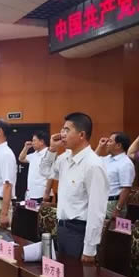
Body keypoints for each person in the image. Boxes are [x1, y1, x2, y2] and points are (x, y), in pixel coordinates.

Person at [40, 112, 109, 262]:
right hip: (62, 227)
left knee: (76, 275)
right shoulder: (65, 158)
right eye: (62, 129)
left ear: (81, 135)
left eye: (67, 130)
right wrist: (52, 150)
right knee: (62, 273)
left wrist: (89, 249)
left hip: (79, 232)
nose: (62, 134)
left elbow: (97, 211)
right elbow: (45, 171)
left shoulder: (93, 165)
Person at [96, 132, 135, 219]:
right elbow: (92, 162)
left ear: (118, 145)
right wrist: (100, 146)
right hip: (101, 201)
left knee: (111, 228)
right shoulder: (107, 159)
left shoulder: (126, 163)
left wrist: (118, 209)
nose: (107, 143)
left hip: (113, 203)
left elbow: (126, 189)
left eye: (110, 141)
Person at [18, 131, 52, 202]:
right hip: (31, 193)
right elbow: (21, 158)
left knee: (41, 209)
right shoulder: (34, 154)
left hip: (42, 193)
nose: (32, 143)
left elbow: (50, 176)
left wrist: (47, 192)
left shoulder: (48, 154)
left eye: (34, 140)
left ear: (41, 142)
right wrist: (26, 148)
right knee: (30, 209)